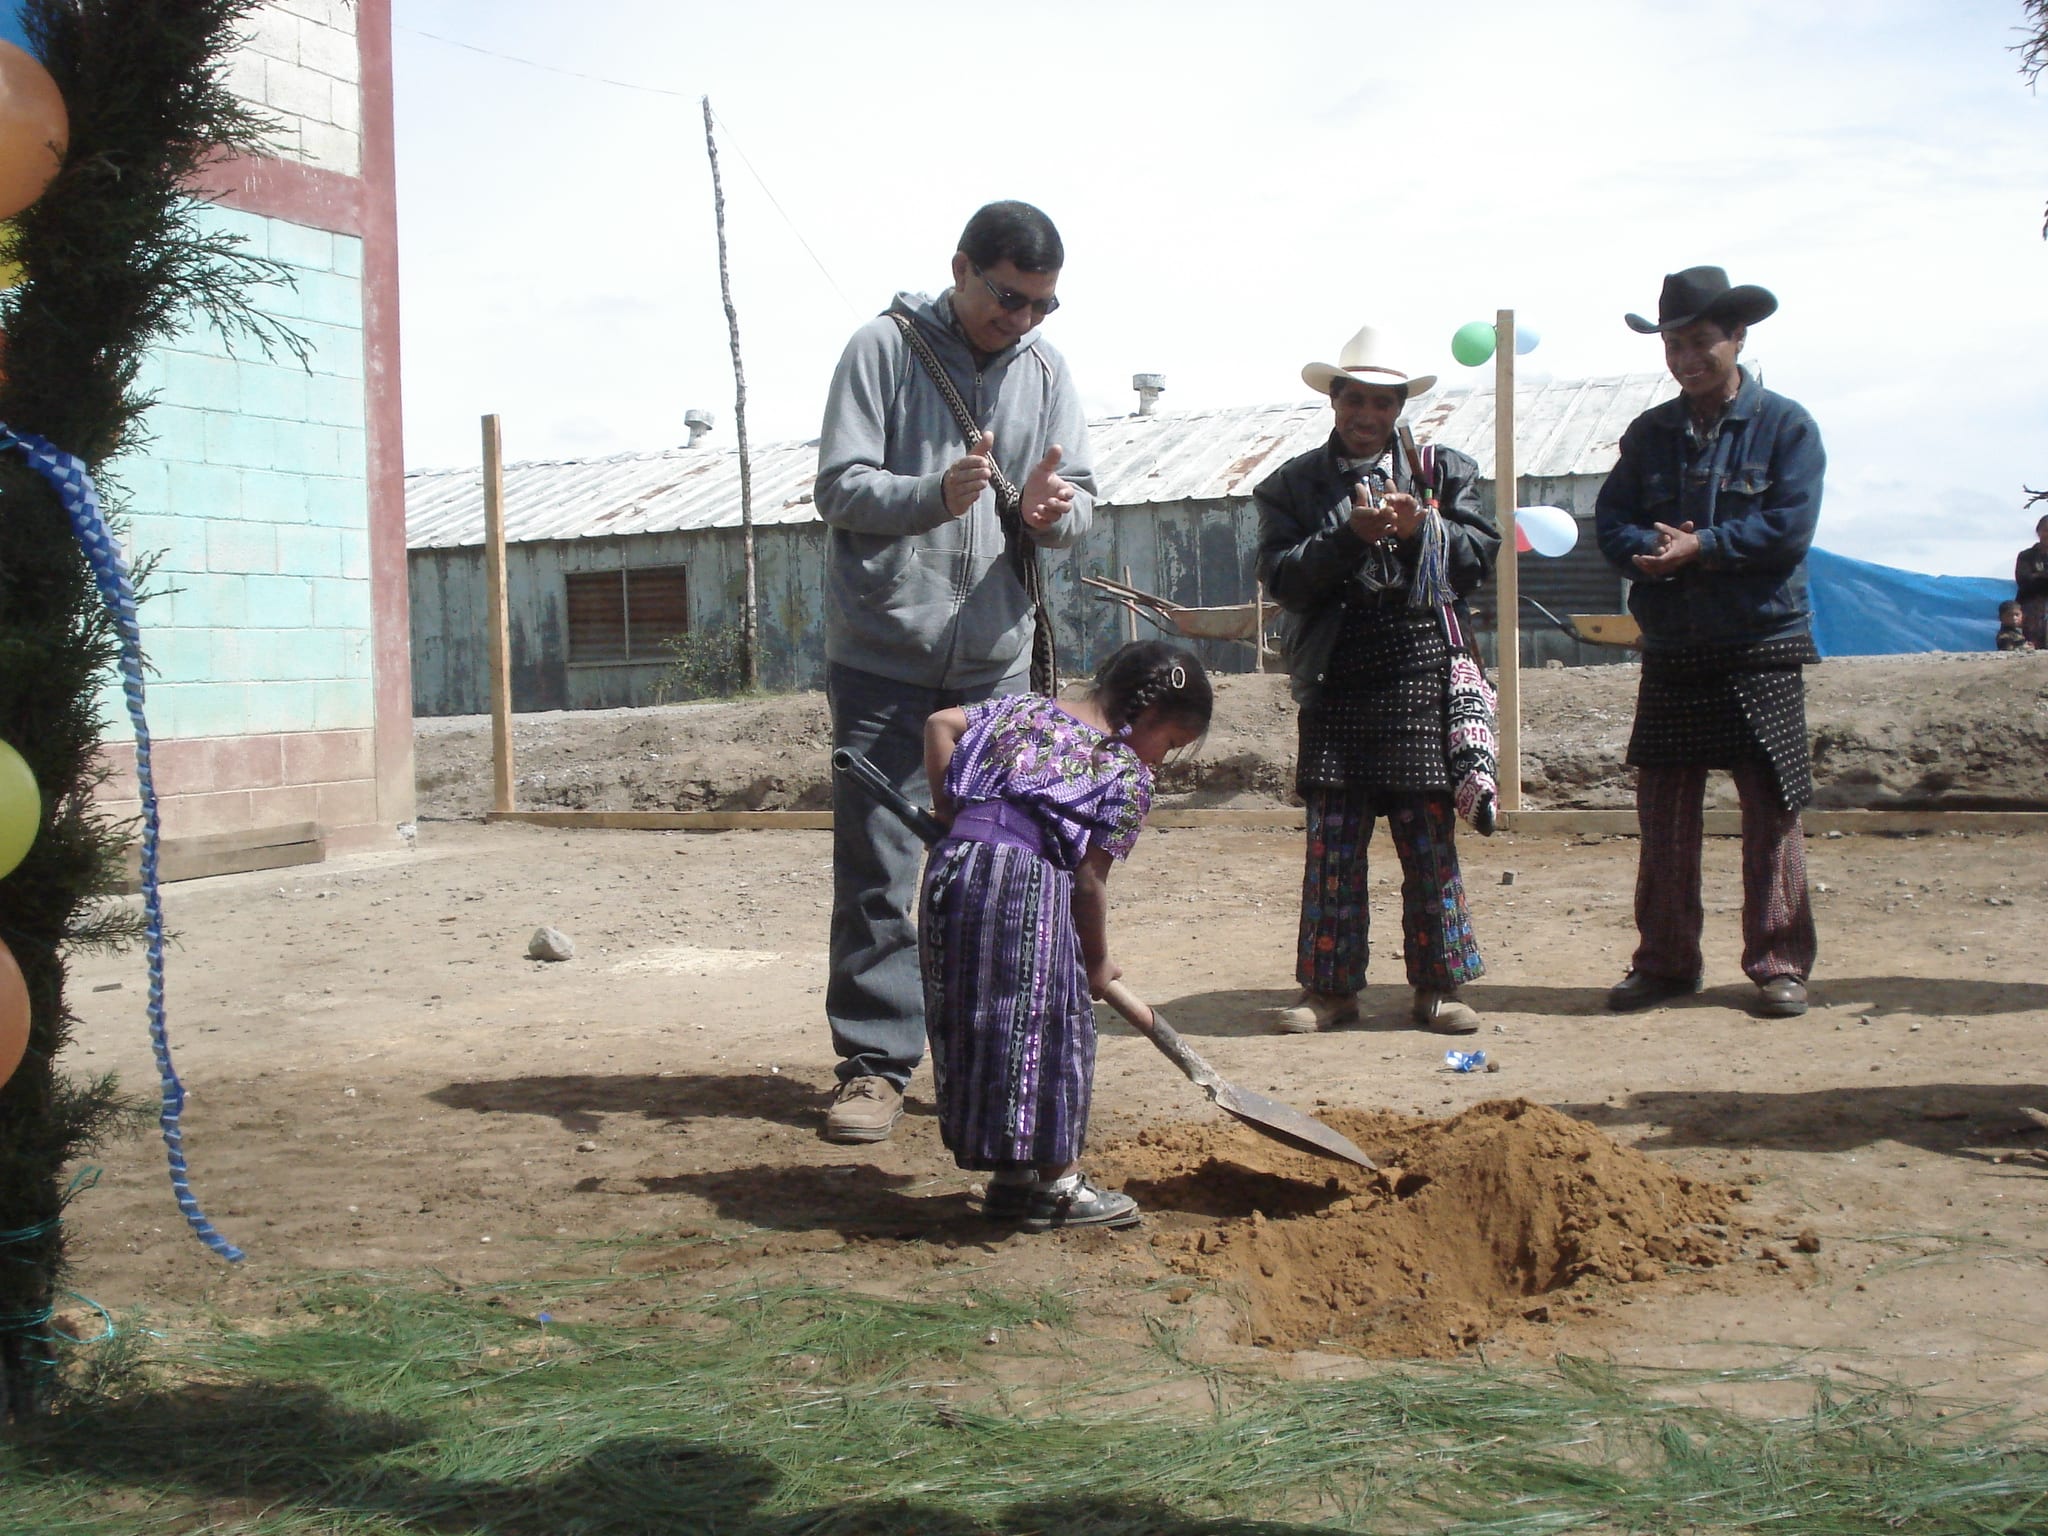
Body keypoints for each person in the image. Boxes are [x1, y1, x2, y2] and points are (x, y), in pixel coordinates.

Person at [814, 201, 1095, 1144]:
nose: (1020, 322)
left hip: (995, 668)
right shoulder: (882, 351)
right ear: (961, 268)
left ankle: (990, 1053)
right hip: (881, 658)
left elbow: (1081, 500)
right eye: (1008, 298)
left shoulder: (1049, 374)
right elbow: (838, 488)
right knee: (878, 870)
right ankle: (875, 1066)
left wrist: (1056, 511)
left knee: (995, 871)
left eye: (1040, 308)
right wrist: (931, 497)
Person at [1255, 328, 1501, 1037]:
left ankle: (1438, 987)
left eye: (1382, 401)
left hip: (1420, 672)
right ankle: (1329, 992)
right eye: (1354, 398)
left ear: (1399, 405)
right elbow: (1283, 578)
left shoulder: (1442, 471)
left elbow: (1477, 559)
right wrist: (1347, 540)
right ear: (1334, 401)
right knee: (1333, 842)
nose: (1367, 413)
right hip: (1337, 681)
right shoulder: (1291, 486)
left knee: (1429, 842)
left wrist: (1425, 530)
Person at [1594, 266, 1824, 1019]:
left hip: (1761, 642)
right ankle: (1664, 963)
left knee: (1772, 810)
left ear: (1738, 337)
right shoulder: (1649, 434)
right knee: (1664, 815)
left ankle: (1779, 962)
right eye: (1673, 345)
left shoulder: (1787, 426)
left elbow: (1789, 527)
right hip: (1674, 648)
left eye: (1700, 342)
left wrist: (1708, 546)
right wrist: (1649, 550)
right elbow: (1612, 521)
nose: (1686, 359)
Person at [920, 641, 1212, 1230]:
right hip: (1025, 885)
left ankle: (1011, 1177)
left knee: (984, 1023)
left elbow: (940, 724)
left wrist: (949, 809)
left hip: (952, 874)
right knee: (1056, 1028)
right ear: (1150, 717)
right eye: (1171, 746)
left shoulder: (1025, 709)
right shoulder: (1125, 772)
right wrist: (1098, 963)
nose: (1161, 761)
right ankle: (1059, 1185)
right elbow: (1089, 881)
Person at [2015, 513, 2048, 651]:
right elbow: (2024, 580)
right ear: (2038, 532)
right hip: (2032, 604)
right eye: (2046, 530)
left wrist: (2038, 576)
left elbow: (2034, 579)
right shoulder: (2027, 556)